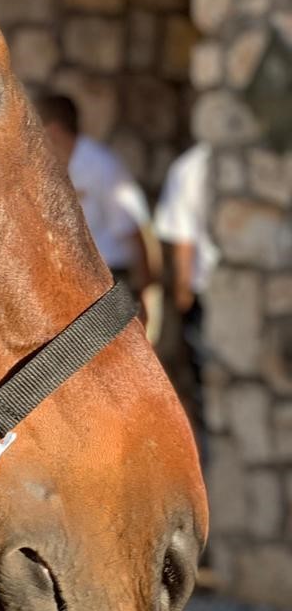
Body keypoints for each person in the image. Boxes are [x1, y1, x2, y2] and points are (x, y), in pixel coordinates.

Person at [37, 93, 156, 302]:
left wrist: (143, 294)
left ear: (52, 131)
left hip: (111, 278)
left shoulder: (102, 166)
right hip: (76, 279)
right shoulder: (52, 169)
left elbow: (133, 228)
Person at [155, 141, 216, 454]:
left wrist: (182, 295)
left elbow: (183, 242)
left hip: (208, 296)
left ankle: (211, 461)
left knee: (206, 386)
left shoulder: (189, 167)